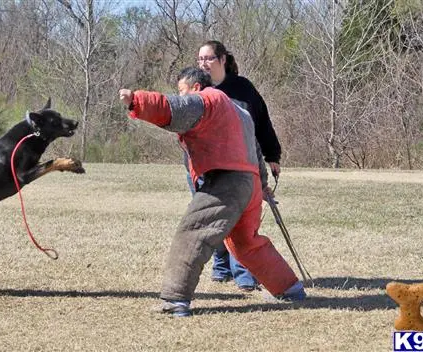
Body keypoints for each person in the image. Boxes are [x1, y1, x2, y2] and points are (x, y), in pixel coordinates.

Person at [118, 67, 306, 317]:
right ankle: (289, 287)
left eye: (183, 90)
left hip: (225, 179)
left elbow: (174, 108)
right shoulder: (240, 111)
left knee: (193, 233)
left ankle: (176, 300)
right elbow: (256, 151)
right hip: (249, 183)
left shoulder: (207, 99)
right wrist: (262, 185)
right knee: (246, 243)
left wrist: (137, 100)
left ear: (196, 88)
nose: (181, 95)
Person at [197, 40, 283, 289]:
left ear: (223, 60)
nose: (204, 63)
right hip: (206, 165)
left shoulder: (242, 88)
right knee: (212, 218)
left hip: (241, 164)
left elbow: (262, 122)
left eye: (209, 58)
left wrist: (272, 154)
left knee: (239, 219)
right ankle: (221, 267)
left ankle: (243, 273)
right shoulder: (196, 88)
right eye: (200, 59)